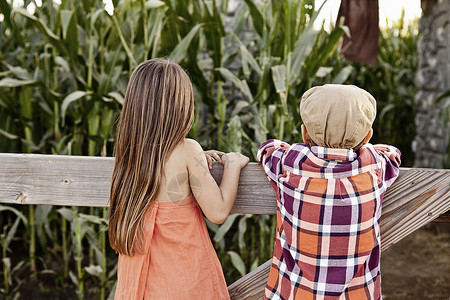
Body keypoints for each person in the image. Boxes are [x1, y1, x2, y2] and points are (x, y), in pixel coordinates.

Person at [109, 58, 249, 299]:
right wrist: (233, 165)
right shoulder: (186, 150)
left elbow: (161, 166)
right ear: (180, 107)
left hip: (142, 280)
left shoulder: (129, 153)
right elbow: (217, 212)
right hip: (182, 280)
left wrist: (195, 160)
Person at [257, 84, 401, 299]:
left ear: (304, 133)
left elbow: (267, 148)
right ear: (368, 136)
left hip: (296, 294)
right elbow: (392, 153)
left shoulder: (289, 164)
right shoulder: (375, 168)